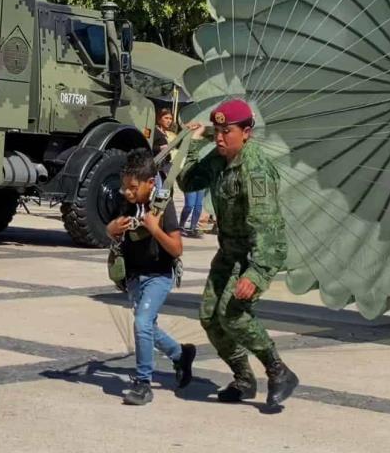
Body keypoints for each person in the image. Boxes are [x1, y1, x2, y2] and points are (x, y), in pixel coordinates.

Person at [178, 99, 298, 408]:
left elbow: (268, 227)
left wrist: (256, 273)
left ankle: (279, 371)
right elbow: (188, 181)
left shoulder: (254, 168)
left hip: (257, 253)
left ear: (246, 133)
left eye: (226, 131)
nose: (219, 137)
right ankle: (243, 378)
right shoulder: (220, 157)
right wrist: (193, 144)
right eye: (216, 130)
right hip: (229, 252)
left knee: (233, 315)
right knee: (209, 316)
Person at [106, 149, 196, 406]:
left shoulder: (162, 205)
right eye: (125, 187)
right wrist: (110, 229)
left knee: (142, 323)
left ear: (150, 182)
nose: (128, 192)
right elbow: (112, 228)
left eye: (133, 188)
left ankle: (143, 382)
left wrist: (155, 229)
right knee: (147, 327)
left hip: (158, 275)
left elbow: (177, 248)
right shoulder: (126, 202)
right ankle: (181, 355)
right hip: (134, 276)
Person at [151, 108, 175, 180]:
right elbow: (146, 147)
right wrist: (160, 148)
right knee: (159, 189)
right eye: (166, 118)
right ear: (159, 119)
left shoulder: (167, 133)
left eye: (170, 119)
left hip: (163, 167)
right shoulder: (154, 131)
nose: (169, 121)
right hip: (154, 167)